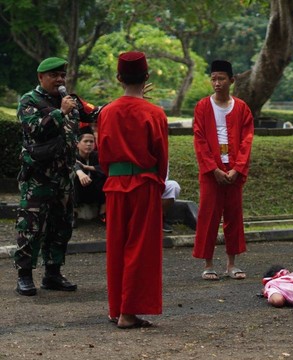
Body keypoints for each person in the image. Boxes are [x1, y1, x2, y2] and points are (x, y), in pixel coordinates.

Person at [14, 57, 100, 296]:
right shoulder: (29, 100)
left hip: (64, 176)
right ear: (41, 77)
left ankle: (52, 274)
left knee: (61, 226)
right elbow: (34, 129)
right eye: (54, 75)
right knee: (30, 227)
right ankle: (24, 276)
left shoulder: (72, 101)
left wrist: (130, 97)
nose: (60, 79)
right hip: (38, 178)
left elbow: (97, 113)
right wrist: (60, 112)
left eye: (62, 74)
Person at [98, 51, 168, 329]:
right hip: (144, 185)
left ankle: (117, 308)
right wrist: (157, 182)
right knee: (140, 248)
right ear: (147, 77)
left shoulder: (107, 111)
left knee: (116, 246)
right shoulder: (155, 113)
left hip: (114, 186)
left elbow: (103, 156)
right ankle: (128, 312)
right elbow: (161, 156)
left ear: (118, 78)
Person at [193, 60, 254, 281]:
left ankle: (231, 264)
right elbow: (199, 140)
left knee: (233, 216)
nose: (217, 83)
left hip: (234, 168)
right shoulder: (202, 106)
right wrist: (213, 168)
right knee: (209, 216)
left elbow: (247, 140)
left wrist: (237, 168)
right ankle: (208, 264)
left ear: (231, 80)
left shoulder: (241, 108)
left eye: (221, 78)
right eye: (213, 79)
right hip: (212, 171)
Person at [73, 125, 107, 226]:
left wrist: (89, 168)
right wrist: (79, 172)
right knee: (71, 179)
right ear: (77, 144)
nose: (89, 144)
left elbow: (106, 167)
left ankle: (103, 213)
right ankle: (73, 214)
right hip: (79, 192)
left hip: (95, 191)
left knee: (107, 178)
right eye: (85, 141)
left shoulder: (97, 156)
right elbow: (71, 163)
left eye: (91, 142)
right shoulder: (73, 155)